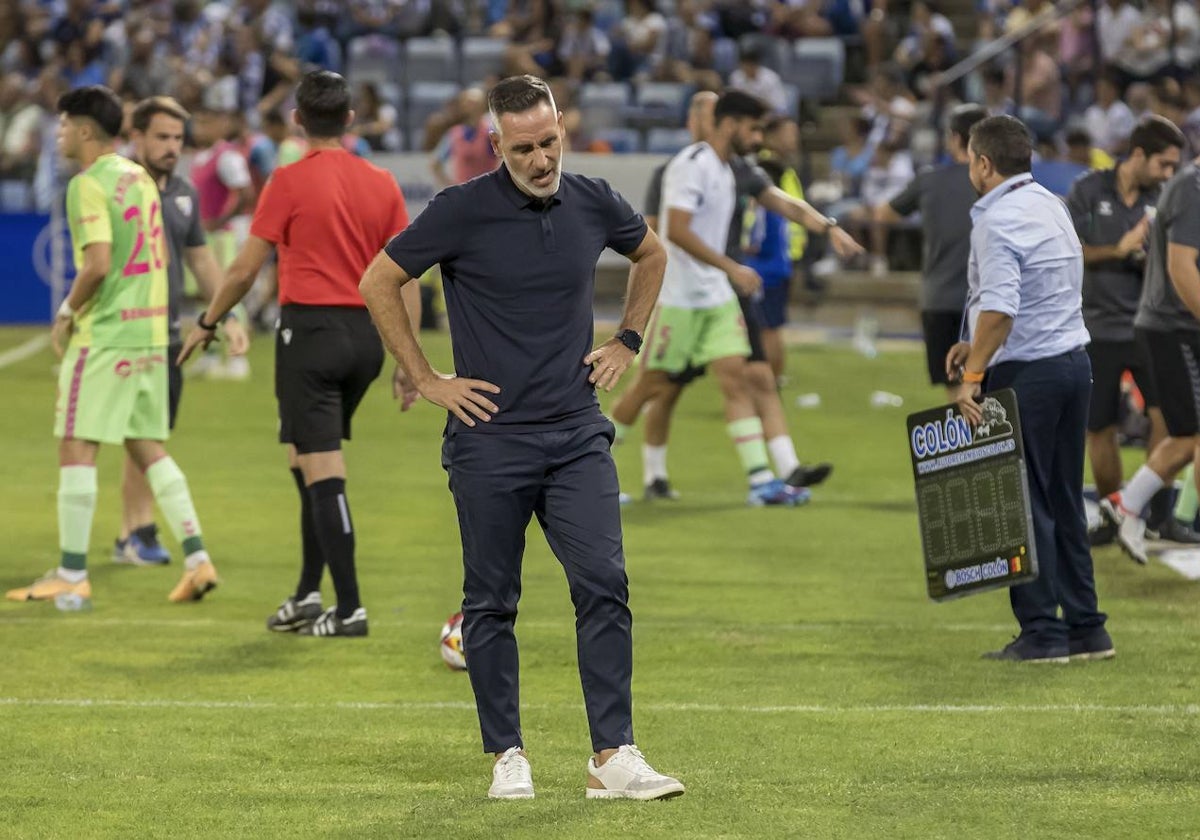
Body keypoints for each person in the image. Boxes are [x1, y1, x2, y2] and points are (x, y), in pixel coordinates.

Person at [358, 74, 684, 801]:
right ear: (496, 144)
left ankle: (613, 756)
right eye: (525, 148)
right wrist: (426, 376)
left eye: (550, 143)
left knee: (605, 583)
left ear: (561, 129)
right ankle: (508, 753)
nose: (542, 160)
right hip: (488, 439)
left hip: (575, 432)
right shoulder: (459, 211)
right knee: (492, 601)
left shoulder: (595, 199)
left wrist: (628, 338)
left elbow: (652, 255)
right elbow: (378, 281)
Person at [179, 70, 413, 637]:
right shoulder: (382, 181)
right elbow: (404, 275)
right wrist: (409, 361)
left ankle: (350, 607)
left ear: (298, 121)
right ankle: (309, 593)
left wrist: (209, 321)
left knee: (323, 468)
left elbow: (243, 267)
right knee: (303, 458)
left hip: (309, 334)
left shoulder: (287, 180)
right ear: (350, 119)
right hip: (366, 337)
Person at [6, 85, 219, 607]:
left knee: (76, 444)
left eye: (61, 126)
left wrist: (67, 311)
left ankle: (72, 574)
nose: (56, 135)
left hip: (107, 337)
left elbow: (97, 263)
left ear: (82, 129)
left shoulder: (89, 183)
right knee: (149, 447)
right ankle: (197, 559)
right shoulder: (139, 177)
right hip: (152, 335)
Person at [610, 91, 860, 503]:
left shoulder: (730, 170)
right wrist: (731, 268)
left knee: (739, 381)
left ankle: (762, 482)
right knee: (648, 388)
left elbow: (784, 203)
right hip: (680, 300)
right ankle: (590, 467)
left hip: (716, 299)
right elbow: (678, 231)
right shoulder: (691, 167)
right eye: (753, 127)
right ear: (729, 125)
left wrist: (828, 227)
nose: (759, 136)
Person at [945, 114, 1111, 663]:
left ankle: (1042, 631)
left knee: (1023, 506)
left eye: (970, 159)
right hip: (1072, 364)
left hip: (1029, 374)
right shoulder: (1051, 203)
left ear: (984, 164)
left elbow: (1001, 308)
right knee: (1064, 499)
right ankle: (1087, 626)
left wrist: (972, 377)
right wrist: (972, 343)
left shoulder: (997, 219)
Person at [113, 96, 251, 566]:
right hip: (124, 332)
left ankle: (128, 532)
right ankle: (140, 532)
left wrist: (227, 316)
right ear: (136, 137)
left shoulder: (184, 194)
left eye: (177, 138)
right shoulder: (116, 188)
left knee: (150, 435)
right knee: (141, 434)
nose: (172, 147)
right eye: (162, 138)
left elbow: (203, 262)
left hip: (169, 333)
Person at [1068, 117, 1195, 546]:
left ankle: (1154, 513)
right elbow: (1068, 251)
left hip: (1147, 326)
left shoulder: (1165, 196)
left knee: (1169, 420)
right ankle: (1112, 512)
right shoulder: (1088, 189)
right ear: (1137, 154)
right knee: (1099, 426)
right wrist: (1117, 250)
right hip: (1096, 327)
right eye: (1162, 163)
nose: (1167, 173)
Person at [1102, 146, 1200, 564]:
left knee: (1184, 438)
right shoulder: (1194, 188)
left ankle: (1125, 506)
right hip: (1176, 325)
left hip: (1173, 325)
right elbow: (1182, 267)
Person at [878, 103, 988, 401]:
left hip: (939, 297)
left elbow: (884, 214)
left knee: (954, 387)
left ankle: (966, 447)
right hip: (988, 300)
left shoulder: (929, 181)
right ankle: (989, 446)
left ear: (954, 138)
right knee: (989, 385)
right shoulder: (994, 183)